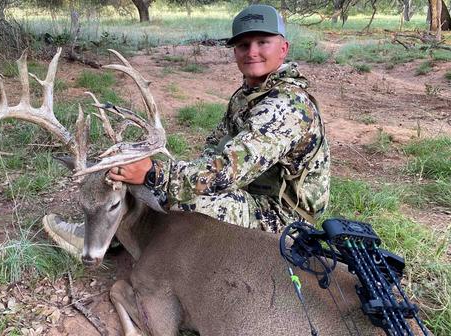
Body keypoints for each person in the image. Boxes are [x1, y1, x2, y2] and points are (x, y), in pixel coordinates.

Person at [43, 4, 330, 259]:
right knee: (168, 186)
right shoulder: (250, 94)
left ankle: (112, 236)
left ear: (283, 48)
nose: (252, 51)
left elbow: (227, 169)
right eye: (243, 45)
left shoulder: (286, 106)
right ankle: (108, 229)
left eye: (262, 42)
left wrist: (155, 175)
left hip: (281, 218)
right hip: (248, 188)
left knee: (178, 198)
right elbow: (215, 147)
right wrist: (163, 174)